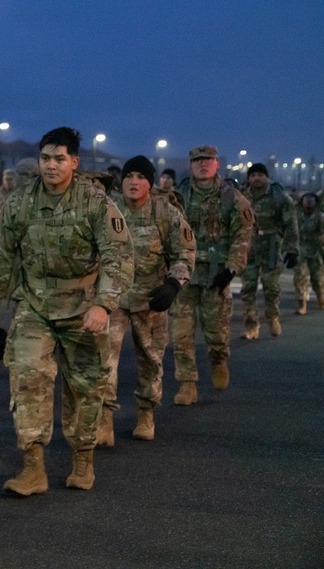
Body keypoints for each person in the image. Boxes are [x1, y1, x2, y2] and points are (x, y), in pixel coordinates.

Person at [0, 126, 133, 494]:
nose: (51, 166)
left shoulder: (96, 203)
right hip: (35, 306)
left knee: (84, 388)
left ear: (74, 161)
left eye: (59, 159)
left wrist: (104, 304)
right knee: (27, 380)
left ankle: (82, 459)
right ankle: (33, 468)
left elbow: (119, 256)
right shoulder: (19, 203)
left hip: (84, 308)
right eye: (45, 158)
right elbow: (1, 255)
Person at [99, 156, 195, 444]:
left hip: (151, 298)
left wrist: (174, 283)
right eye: (129, 176)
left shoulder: (165, 212)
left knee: (151, 360)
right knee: (103, 360)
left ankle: (145, 413)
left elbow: (185, 251)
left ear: (150, 184)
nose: (133, 181)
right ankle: (104, 419)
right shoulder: (107, 208)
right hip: (111, 298)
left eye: (141, 177)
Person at [170, 146, 254, 404]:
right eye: (198, 161)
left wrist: (231, 270)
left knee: (216, 331)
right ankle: (187, 384)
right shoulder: (178, 195)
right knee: (181, 334)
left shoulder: (232, 198)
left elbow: (242, 236)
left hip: (216, 275)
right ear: (191, 165)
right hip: (183, 274)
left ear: (217, 164)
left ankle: (218, 359)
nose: (203, 164)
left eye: (208, 160)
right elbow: (165, 229)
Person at [239, 163, 299, 339]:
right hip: (248, 247)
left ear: (266, 177)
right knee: (247, 288)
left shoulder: (279, 197)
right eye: (253, 175)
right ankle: (251, 326)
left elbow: (291, 224)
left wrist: (292, 249)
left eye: (260, 175)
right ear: (249, 178)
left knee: (271, 287)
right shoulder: (241, 197)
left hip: (272, 245)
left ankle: (272, 317)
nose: (256, 178)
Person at [294, 193, 324, 314]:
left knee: (317, 279)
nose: (308, 203)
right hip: (300, 250)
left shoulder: (320, 217)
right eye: (306, 201)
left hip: (316, 251)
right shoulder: (296, 217)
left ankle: (320, 298)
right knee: (300, 277)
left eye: (311, 201)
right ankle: (302, 304)